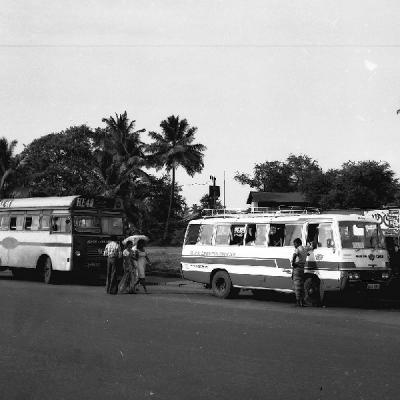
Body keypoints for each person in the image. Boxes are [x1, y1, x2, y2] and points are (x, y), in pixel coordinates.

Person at [291, 238, 313, 307]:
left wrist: (293, 263)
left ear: (297, 243)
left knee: (297, 285)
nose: (294, 245)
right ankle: (302, 301)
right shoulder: (304, 249)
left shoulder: (298, 249)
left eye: (294, 243)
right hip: (302, 268)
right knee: (301, 285)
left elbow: (294, 255)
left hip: (297, 268)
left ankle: (298, 301)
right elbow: (309, 252)